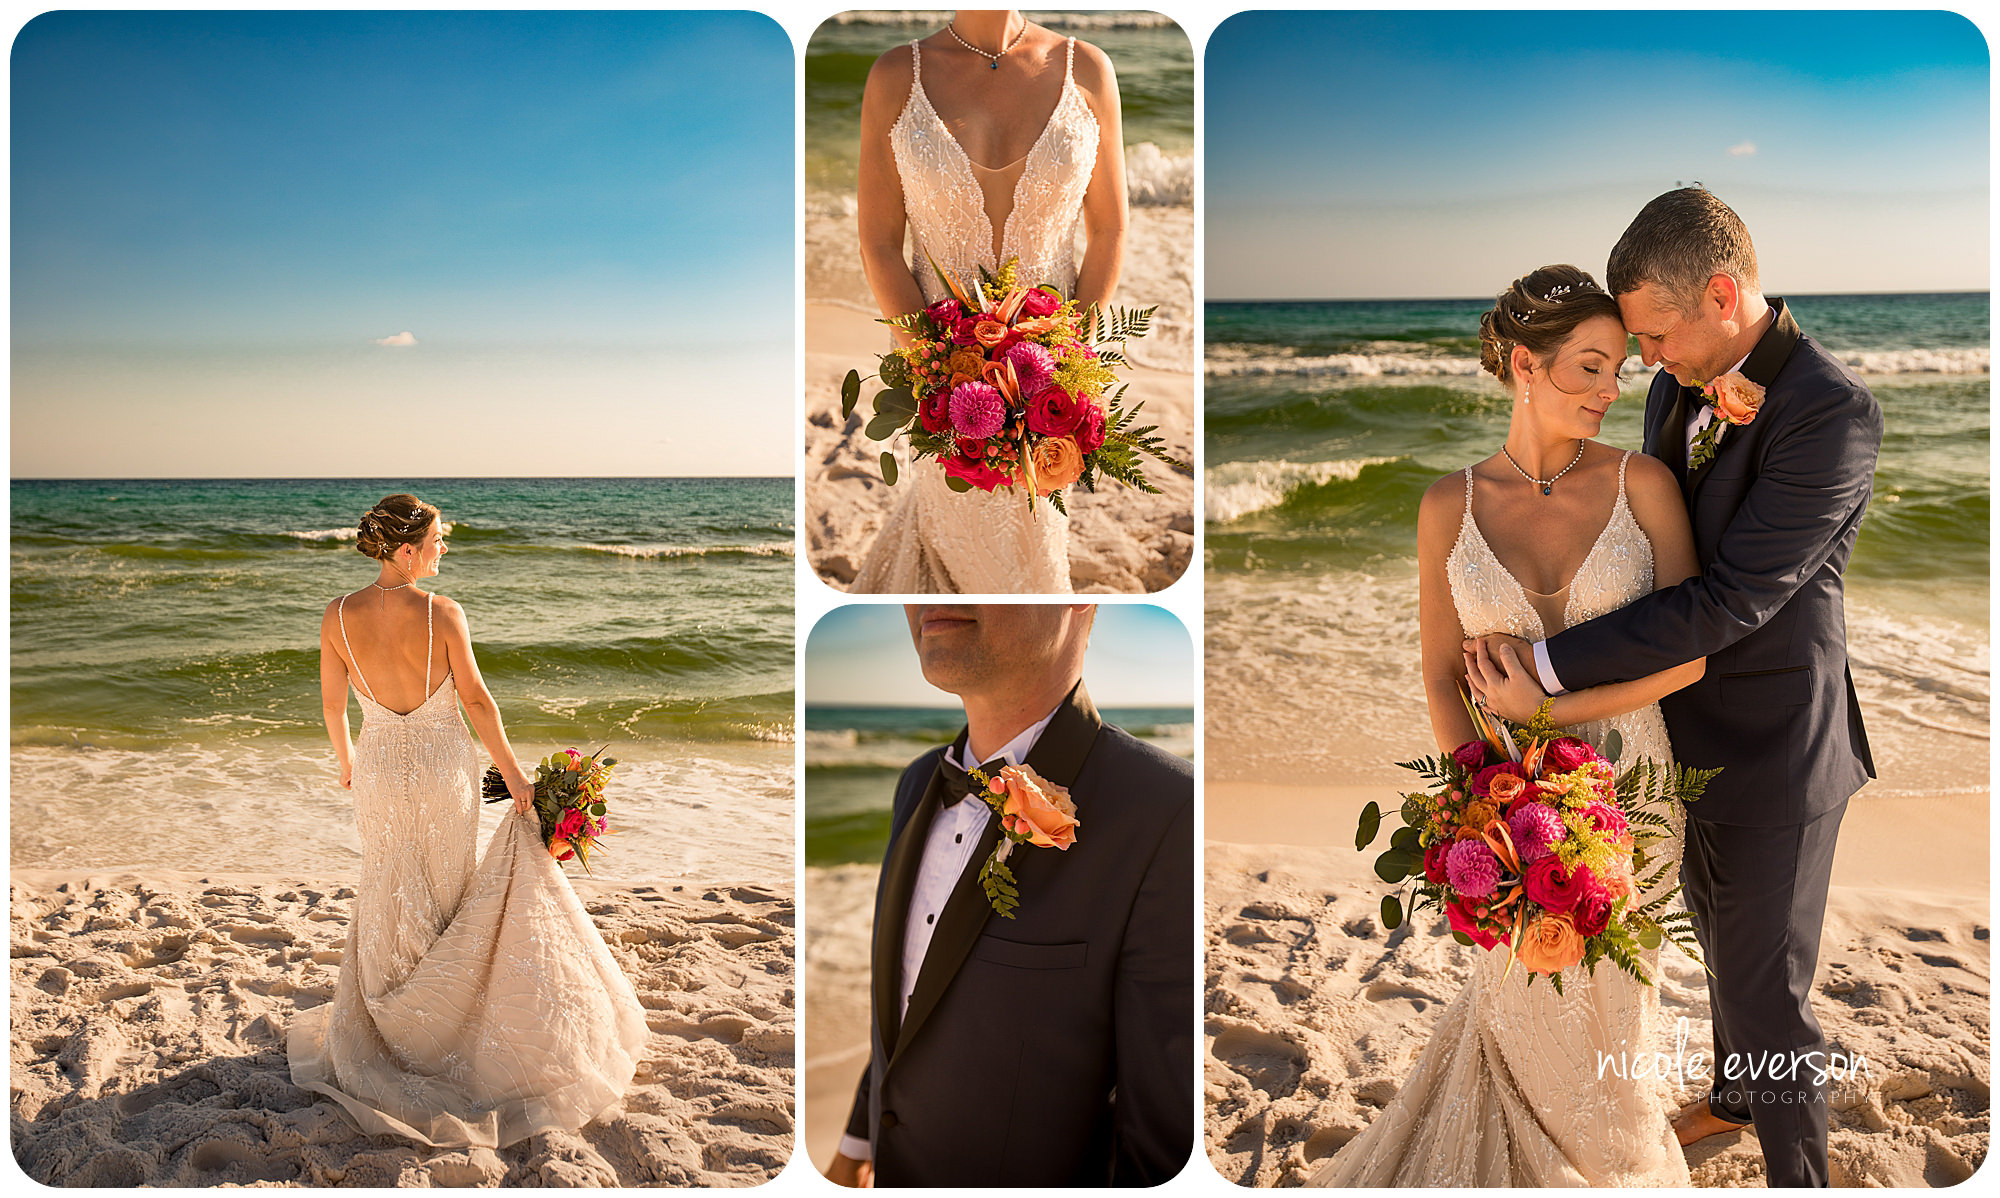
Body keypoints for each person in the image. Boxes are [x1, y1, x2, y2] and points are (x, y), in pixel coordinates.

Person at [1470, 189, 1882, 1187]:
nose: (1645, 360)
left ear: (1720, 291)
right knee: (1711, 933)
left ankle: (1800, 1171)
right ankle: (1735, 1097)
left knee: (1768, 987)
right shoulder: (1674, 390)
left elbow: (1727, 598)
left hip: (1777, 745)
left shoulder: (1829, 412)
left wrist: (1549, 671)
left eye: (1653, 332)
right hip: (1674, 731)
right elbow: (1646, 546)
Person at [1310, 265, 1703, 1185]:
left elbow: (1687, 657)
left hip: (1635, 803)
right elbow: (1442, 676)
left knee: (1613, 1018)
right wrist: (1478, 797)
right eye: (1591, 369)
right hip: (1507, 813)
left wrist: (1550, 712)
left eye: (1620, 372)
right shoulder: (1448, 504)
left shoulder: (1642, 484)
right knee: (1522, 1012)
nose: (1614, 391)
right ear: (1524, 364)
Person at [289, 493, 648, 1148]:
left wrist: (347, 763)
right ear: (406, 550)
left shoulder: (336, 616)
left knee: (391, 885)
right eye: (435, 540)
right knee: (447, 889)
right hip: (438, 769)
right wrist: (512, 774)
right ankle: (439, 1026)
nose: (442, 549)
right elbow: (478, 701)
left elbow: (333, 703)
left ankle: (391, 1020)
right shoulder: (442, 614)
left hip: (379, 768)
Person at [825, 604, 1192, 1185]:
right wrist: (858, 1140)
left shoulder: (1169, 810)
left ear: (1081, 599)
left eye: (981, 564)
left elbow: (1163, 1129)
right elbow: (912, 997)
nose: (934, 593)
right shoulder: (918, 780)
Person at [850, 11, 1127, 593]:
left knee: (1035, 537)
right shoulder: (897, 74)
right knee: (956, 529)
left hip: (1053, 380)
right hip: (939, 372)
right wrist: (939, 368)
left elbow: (1109, 230)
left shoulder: (1090, 70)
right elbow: (879, 242)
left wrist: (1073, 362)